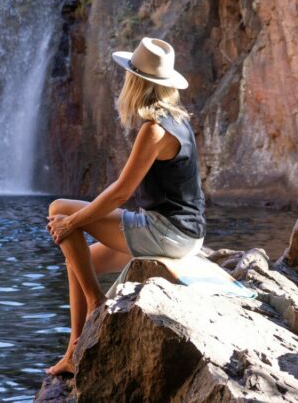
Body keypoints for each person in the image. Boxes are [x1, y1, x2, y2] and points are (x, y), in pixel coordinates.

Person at [44, 37, 205, 376]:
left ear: (136, 82)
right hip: (180, 230)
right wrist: (72, 225)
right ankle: (74, 349)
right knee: (78, 259)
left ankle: (95, 307)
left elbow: (120, 193)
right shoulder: (176, 119)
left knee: (61, 213)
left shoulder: (155, 130)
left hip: (169, 233)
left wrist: (72, 223)